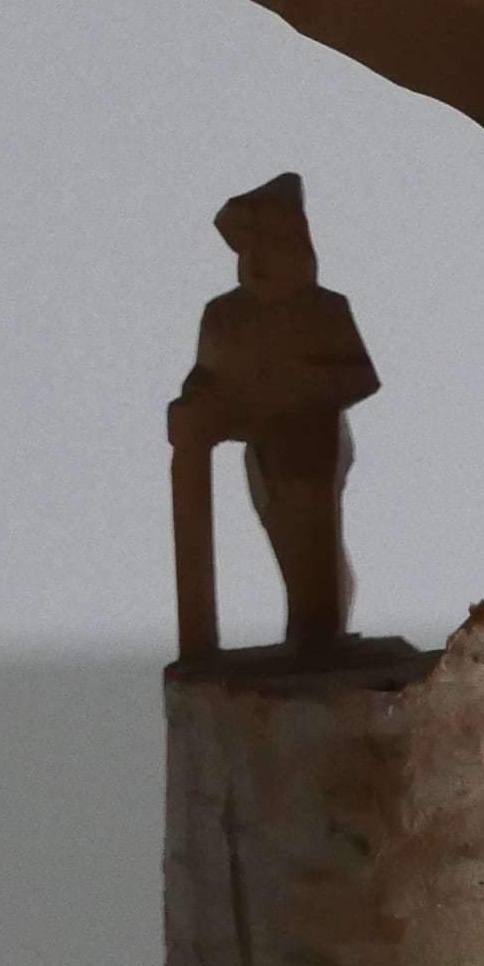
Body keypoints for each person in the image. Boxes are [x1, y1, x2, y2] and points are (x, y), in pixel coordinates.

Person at [168, 174, 378, 660]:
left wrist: (297, 384)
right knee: (284, 535)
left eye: (274, 249)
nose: (260, 263)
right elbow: (206, 376)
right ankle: (308, 631)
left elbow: (359, 378)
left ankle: (319, 632)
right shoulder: (224, 314)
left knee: (314, 539)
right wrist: (198, 401)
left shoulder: (325, 309)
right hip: (263, 446)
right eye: (252, 252)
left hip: (312, 445)